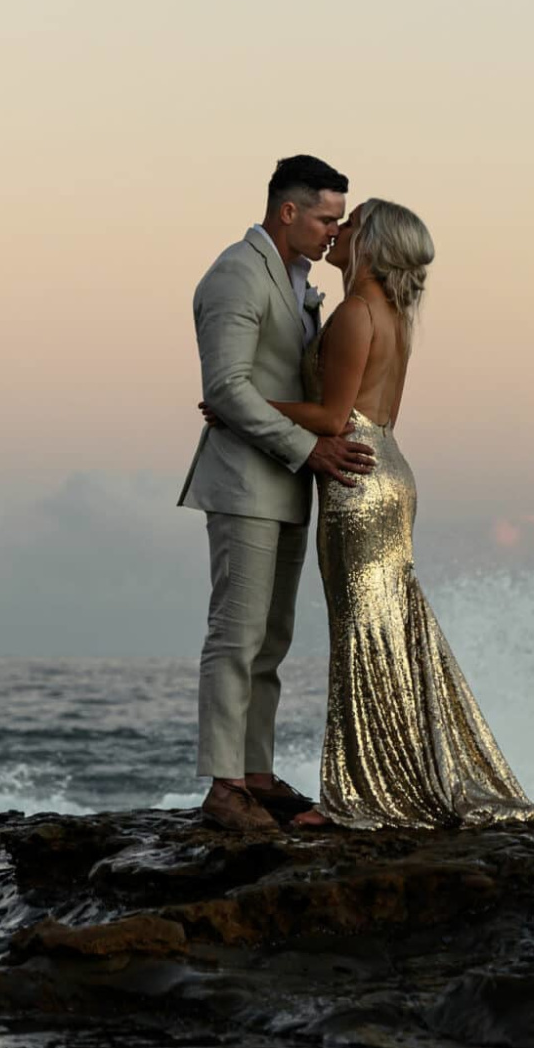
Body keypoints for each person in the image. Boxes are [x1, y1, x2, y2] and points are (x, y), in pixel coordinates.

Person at [204, 198, 534, 829]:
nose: (339, 232)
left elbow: (336, 419)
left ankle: (367, 796)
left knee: (363, 635)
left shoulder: (354, 314)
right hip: (386, 466)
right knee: (391, 628)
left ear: (374, 244)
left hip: (355, 482)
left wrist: (244, 404)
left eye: (352, 224)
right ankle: (404, 777)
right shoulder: (393, 316)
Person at [176, 155, 376, 833]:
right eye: (325, 217)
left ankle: (255, 774)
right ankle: (224, 785)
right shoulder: (236, 272)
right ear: (286, 211)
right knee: (234, 636)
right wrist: (308, 446)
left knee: (271, 640)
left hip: (290, 483)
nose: (333, 231)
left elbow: (268, 387)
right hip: (245, 481)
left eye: (338, 220)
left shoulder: (298, 281)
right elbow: (227, 387)